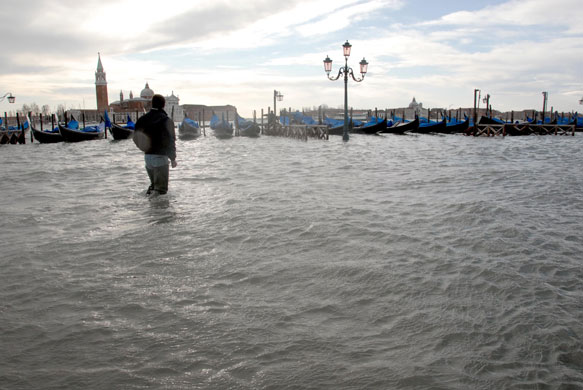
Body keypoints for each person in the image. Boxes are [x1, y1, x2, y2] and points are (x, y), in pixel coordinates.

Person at [133, 94, 177, 195]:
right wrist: (173, 158)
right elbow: (171, 140)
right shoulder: (166, 120)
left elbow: (135, 137)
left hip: (148, 158)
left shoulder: (142, 119)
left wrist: (145, 148)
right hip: (160, 157)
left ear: (152, 104)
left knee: (154, 187)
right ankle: (159, 210)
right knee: (161, 191)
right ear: (163, 105)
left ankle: (150, 209)